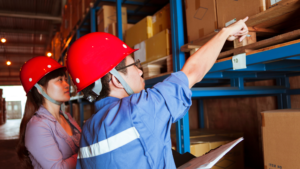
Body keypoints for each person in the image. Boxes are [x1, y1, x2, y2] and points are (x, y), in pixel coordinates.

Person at [67, 17, 249, 168]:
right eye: (134, 65)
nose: (140, 71)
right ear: (116, 80)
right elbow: (193, 72)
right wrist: (225, 32)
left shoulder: (88, 130)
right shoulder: (139, 110)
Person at [17, 56, 81, 169]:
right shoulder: (38, 126)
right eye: (60, 80)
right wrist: (88, 152)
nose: (67, 84)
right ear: (39, 89)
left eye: (66, 79)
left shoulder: (67, 117)